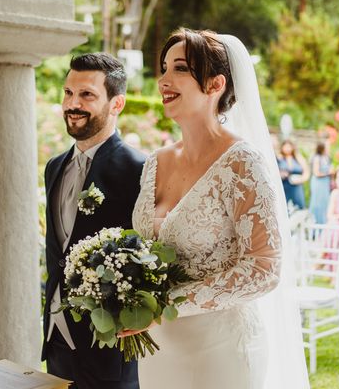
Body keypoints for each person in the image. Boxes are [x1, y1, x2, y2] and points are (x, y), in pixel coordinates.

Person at [130, 28, 308, 388]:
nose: (163, 80)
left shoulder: (241, 162)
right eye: (163, 68)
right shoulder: (156, 160)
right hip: (158, 347)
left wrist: (167, 305)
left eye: (179, 69)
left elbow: (263, 268)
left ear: (215, 85)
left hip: (220, 350)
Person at [42, 53, 145, 389]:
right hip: (57, 339)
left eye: (87, 95)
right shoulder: (54, 167)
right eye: (68, 93)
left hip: (110, 347)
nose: (73, 104)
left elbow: (148, 256)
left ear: (117, 104)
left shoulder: (140, 170)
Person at [277, 139, 309, 209]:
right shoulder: (279, 158)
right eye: (286, 147)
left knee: (299, 206)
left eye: (289, 147)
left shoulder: (298, 158)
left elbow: (306, 172)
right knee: (284, 207)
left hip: (297, 186)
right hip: (284, 186)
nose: (288, 149)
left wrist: (301, 179)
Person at [309, 141, 332, 224]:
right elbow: (316, 173)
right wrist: (329, 173)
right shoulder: (317, 158)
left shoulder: (326, 157)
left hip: (325, 182)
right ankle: (316, 223)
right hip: (318, 183)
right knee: (317, 202)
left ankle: (324, 223)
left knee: (325, 202)